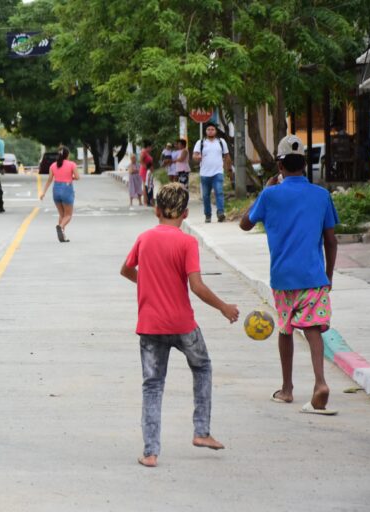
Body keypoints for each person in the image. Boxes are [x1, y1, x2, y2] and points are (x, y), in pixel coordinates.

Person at [121, 183, 239, 468]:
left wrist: (147, 283)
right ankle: (201, 432)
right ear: (185, 213)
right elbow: (196, 286)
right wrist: (224, 307)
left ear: (156, 210)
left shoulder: (144, 238)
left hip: (150, 326)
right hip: (183, 324)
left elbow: (126, 269)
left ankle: (150, 452)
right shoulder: (187, 243)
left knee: (152, 385)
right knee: (202, 367)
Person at [239, 135, 339, 415]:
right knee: (313, 328)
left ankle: (287, 388)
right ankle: (320, 382)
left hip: (283, 278)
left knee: (285, 329)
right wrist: (328, 275)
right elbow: (331, 241)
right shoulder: (321, 196)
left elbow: (244, 224)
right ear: (305, 165)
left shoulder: (270, 194)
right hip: (314, 276)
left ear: (280, 166)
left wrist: (265, 189)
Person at [193, 123, 231, 223]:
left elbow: (227, 156)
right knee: (206, 196)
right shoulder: (200, 143)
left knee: (219, 192)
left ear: (216, 131)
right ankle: (208, 215)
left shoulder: (221, 142)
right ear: (205, 131)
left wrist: (229, 169)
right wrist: (197, 157)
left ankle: (220, 213)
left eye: (212, 129)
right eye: (208, 129)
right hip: (204, 173)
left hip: (218, 172)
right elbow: (194, 156)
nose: (210, 131)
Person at [40, 146, 79, 242]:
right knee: (68, 215)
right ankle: (60, 227)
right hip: (67, 189)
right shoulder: (72, 164)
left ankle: (62, 236)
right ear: (68, 154)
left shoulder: (53, 165)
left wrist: (43, 192)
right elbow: (77, 177)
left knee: (62, 215)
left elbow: (49, 180)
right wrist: (71, 178)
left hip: (56, 190)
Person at [140, 141, 154, 206]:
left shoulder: (147, 153)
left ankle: (149, 200)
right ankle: (146, 201)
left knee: (149, 185)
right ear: (148, 147)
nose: (151, 149)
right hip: (145, 171)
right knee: (146, 185)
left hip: (149, 170)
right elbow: (141, 161)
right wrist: (147, 167)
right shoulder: (144, 152)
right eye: (150, 147)